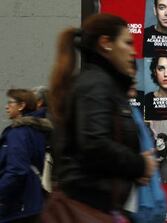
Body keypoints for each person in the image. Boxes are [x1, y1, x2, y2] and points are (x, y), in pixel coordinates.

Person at [45, 13, 157, 220]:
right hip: (86, 210)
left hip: (100, 208)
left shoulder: (106, 86)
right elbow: (94, 144)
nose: (133, 52)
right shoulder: (96, 85)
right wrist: (140, 165)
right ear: (106, 43)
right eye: (128, 43)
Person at [0, 89, 53, 222]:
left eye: (10, 102)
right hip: (31, 203)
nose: (7, 106)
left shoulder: (18, 133)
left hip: (16, 206)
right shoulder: (36, 130)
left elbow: (17, 170)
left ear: (21, 106)